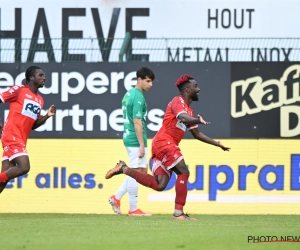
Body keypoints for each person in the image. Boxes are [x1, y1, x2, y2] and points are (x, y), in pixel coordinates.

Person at [105, 74, 230, 220]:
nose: (199, 89)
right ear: (188, 90)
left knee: (160, 185)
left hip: (162, 144)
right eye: (196, 87)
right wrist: (197, 119)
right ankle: (178, 213)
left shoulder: (189, 111)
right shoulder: (178, 101)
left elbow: (197, 134)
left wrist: (217, 144)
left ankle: (124, 169)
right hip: (165, 142)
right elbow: (182, 117)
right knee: (183, 171)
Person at [0, 66, 56, 193]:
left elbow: (33, 125)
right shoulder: (19, 90)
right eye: (40, 75)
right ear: (31, 77)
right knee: (24, 167)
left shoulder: (40, 100)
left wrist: (47, 116)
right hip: (11, 135)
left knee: (2, 181)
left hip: (20, 139)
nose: (44, 78)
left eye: (44, 75)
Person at [108, 67, 155, 216]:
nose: (151, 84)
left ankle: (116, 197)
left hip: (129, 136)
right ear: (139, 79)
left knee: (138, 172)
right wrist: (142, 143)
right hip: (135, 139)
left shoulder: (128, 94)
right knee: (136, 172)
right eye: (148, 81)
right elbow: (137, 121)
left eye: (152, 81)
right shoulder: (138, 97)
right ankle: (133, 208)